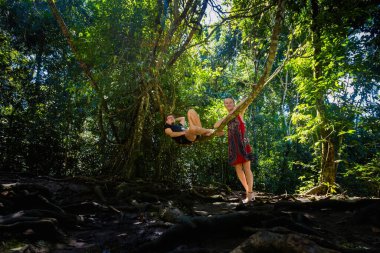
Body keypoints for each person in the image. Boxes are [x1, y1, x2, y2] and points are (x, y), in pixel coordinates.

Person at [214, 97, 254, 203]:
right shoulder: (226, 118)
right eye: (226, 103)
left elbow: (245, 101)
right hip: (233, 145)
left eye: (230, 102)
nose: (228, 104)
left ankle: (249, 194)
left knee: (247, 168)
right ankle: (248, 191)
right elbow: (216, 125)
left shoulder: (239, 112)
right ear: (224, 105)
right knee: (238, 171)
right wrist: (227, 117)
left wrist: (236, 107)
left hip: (243, 142)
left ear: (234, 103)